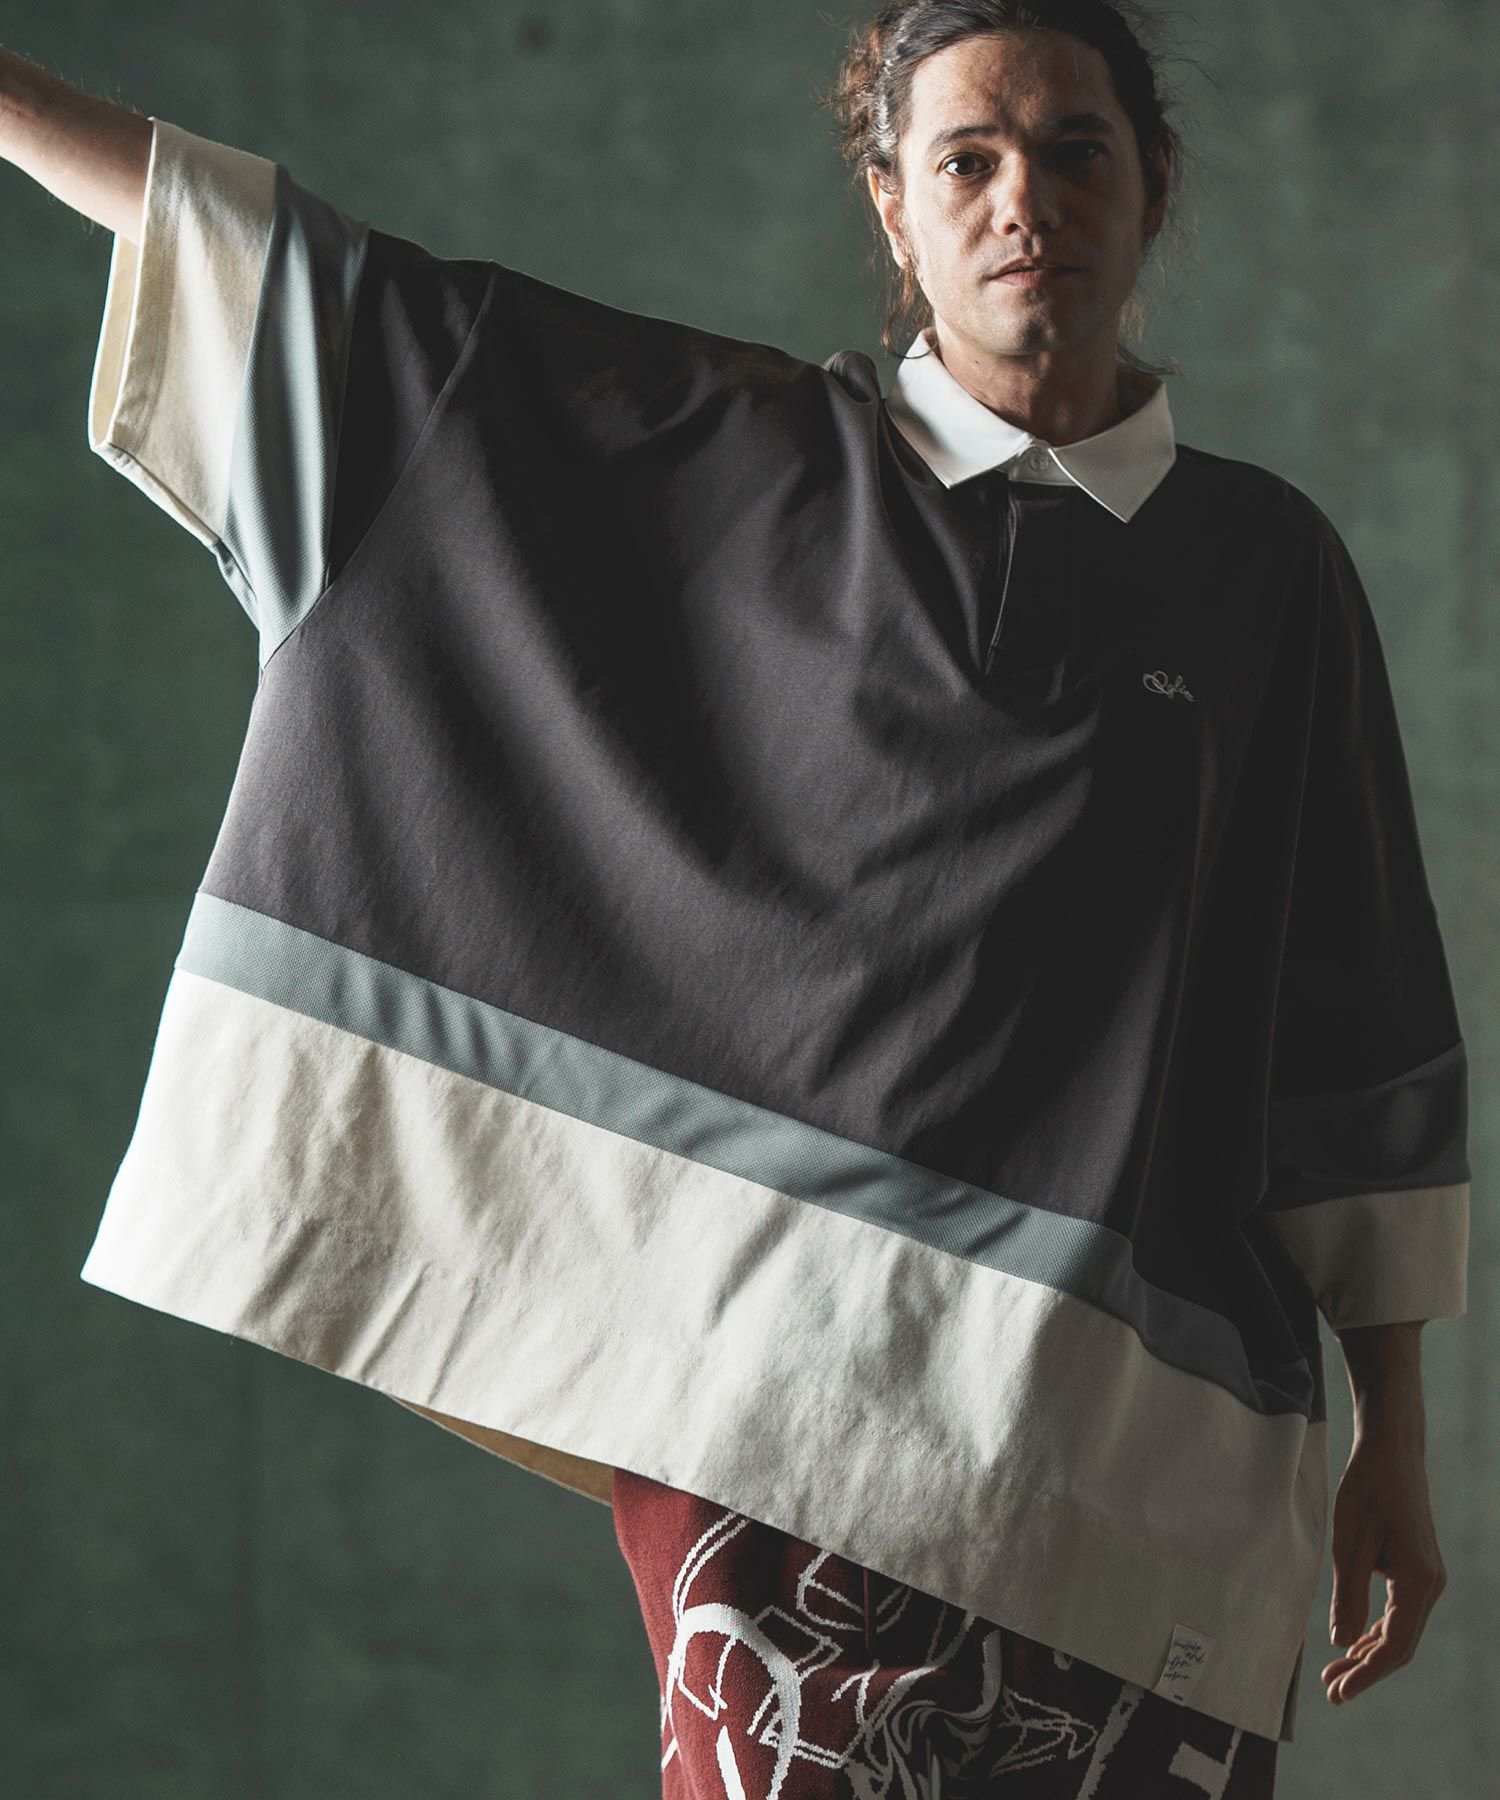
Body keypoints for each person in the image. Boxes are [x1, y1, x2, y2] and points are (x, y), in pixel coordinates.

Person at [2, 1, 1468, 1794]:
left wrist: (1395, 1437)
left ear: (1154, 185)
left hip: (1144, 1461)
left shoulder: (1270, 571)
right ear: (894, 206)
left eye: (1077, 150)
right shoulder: (740, 458)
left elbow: (1351, 1020)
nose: (1025, 199)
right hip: (792, 1414)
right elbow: (313, 297)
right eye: (967, 159)